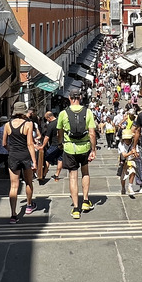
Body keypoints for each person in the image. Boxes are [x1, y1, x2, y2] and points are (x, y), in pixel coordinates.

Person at [57, 89, 97, 218]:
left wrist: (60, 143)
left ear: (69, 98)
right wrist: (93, 149)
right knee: (85, 172)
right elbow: (92, 133)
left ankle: (75, 208)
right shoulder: (88, 112)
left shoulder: (63, 113)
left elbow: (60, 132)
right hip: (84, 147)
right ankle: (85, 200)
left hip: (70, 148)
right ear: (80, 97)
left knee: (73, 177)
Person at [2, 100, 37, 224]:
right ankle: (28, 205)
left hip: (13, 156)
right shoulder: (29, 124)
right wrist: (34, 161)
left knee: (13, 186)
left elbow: (4, 143)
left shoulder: (7, 125)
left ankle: (13, 214)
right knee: (28, 182)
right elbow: (30, 144)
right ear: (24, 111)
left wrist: (10, 150)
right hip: (26, 155)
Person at [115, 107, 139, 197]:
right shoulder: (121, 145)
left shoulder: (133, 143)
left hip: (131, 160)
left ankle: (130, 186)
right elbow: (124, 155)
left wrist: (135, 153)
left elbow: (136, 151)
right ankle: (123, 187)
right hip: (124, 160)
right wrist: (131, 152)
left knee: (133, 171)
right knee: (123, 176)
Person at [40, 110, 62, 181]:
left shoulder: (51, 125)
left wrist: (43, 146)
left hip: (54, 144)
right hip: (61, 143)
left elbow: (47, 137)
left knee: (47, 158)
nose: (47, 120)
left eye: (47, 119)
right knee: (60, 159)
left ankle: (43, 175)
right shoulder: (60, 122)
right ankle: (56, 175)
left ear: (49, 117)